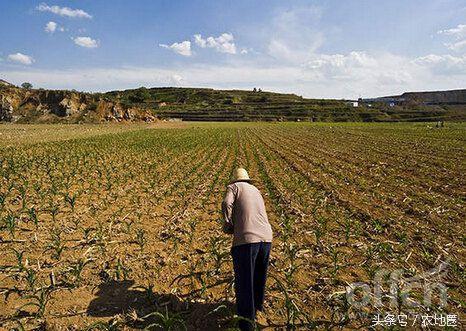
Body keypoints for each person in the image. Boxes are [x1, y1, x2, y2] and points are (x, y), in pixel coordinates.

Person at [222, 168, 273, 331]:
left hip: (246, 241)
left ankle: (246, 324)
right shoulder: (256, 190)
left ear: (235, 181)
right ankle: (257, 309)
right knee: (259, 276)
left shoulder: (234, 188)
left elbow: (226, 203)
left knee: (244, 281)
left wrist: (228, 223)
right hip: (266, 238)